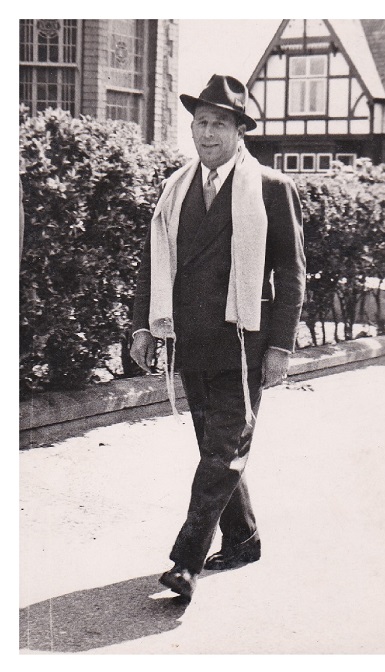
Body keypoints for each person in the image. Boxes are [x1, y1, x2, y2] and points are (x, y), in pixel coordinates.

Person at [130, 74, 306, 602]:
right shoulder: (175, 188)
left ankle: (186, 562)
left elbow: (292, 272)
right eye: (200, 122)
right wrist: (142, 326)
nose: (206, 133)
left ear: (239, 131)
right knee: (217, 448)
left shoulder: (272, 188)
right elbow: (154, 263)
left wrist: (279, 347)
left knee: (223, 450)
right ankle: (244, 537)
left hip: (244, 340)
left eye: (218, 123)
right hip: (191, 338)